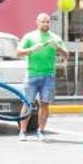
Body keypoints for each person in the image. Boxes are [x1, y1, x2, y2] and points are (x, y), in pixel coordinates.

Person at [16, 13, 69, 141]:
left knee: (44, 104)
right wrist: (33, 48)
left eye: (47, 21)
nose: (45, 24)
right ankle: (22, 131)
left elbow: (66, 55)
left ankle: (41, 130)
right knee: (27, 103)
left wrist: (58, 48)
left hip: (48, 76)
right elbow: (18, 52)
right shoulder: (30, 36)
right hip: (32, 74)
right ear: (37, 22)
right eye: (43, 21)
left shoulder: (55, 38)